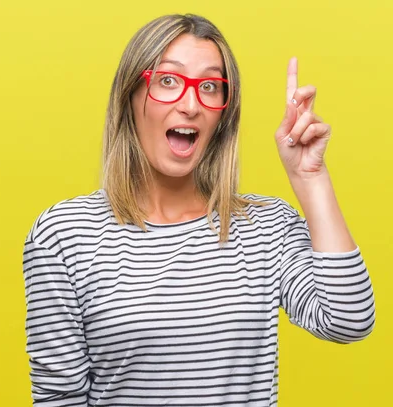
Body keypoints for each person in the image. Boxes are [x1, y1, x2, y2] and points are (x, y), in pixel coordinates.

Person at [21, 13, 375, 406]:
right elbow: (59, 398)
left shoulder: (265, 227)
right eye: (167, 81)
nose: (191, 104)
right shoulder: (65, 236)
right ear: (130, 96)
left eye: (209, 86)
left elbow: (348, 320)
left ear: (223, 113)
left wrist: (311, 178)